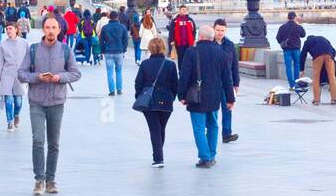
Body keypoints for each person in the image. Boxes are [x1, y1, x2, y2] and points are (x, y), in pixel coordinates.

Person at [17, 14, 81, 196]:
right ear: (43, 30)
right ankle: (39, 179)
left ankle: (51, 179)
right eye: (48, 28)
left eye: (54, 28)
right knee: (38, 140)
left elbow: (75, 73)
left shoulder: (66, 50)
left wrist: (59, 78)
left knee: (54, 143)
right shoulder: (33, 49)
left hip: (57, 101)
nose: (51, 31)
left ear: (59, 30)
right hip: (36, 100)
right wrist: (37, 77)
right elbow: (21, 73)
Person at [178, 27, 235, 167]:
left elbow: (184, 75)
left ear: (200, 36)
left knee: (199, 128)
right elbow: (227, 78)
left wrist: (181, 95)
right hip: (215, 95)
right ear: (211, 37)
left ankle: (205, 157)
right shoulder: (221, 53)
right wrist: (230, 98)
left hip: (196, 96)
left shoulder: (191, 52)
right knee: (213, 126)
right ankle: (212, 155)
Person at [133, 38, 179, 166]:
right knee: (161, 128)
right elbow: (175, 84)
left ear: (150, 48)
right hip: (166, 101)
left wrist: (139, 96)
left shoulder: (145, 64)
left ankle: (158, 158)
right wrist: (172, 97)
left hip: (149, 102)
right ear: (164, 48)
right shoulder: (170, 65)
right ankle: (159, 154)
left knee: (154, 129)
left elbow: (138, 83)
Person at [0, 20, 29, 131]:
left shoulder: (24, 43)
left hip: (20, 75)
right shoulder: (3, 46)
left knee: (18, 100)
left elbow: (29, 59)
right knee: (8, 100)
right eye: (7, 29)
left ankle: (16, 114)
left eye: (10, 28)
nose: (8, 31)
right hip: (6, 75)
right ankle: (10, 122)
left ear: (16, 30)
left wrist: (29, 73)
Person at [213, 18, 240, 143]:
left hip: (226, 82)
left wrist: (236, 83)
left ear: (226, 30)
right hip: (212, 82)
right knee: (212, 110)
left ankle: (227, 133)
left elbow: (235, 65)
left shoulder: (229, 45)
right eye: (218, 30)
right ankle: (211, 131)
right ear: (214, 29)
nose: (220, 33)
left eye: (222, 30)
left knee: (228, 107)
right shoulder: (208, 43)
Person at [298, 32, 336, 104]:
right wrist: (332, 59)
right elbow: (334, 51)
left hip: (317, 57)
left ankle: (316, 100)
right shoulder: (323, 38)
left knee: (316, 78)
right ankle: (334, 99)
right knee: (332, 77)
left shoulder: (307, 42)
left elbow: (303, 55)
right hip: (329, 55)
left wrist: (301, 69)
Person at [99, 9, 130, 96]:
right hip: (119, 51)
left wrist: (102, 51)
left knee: (109, 71)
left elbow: (101, 41)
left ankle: (112, 90)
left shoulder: (105, 28)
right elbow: (126, 40)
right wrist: (123, 49)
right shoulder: (122, 27)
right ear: (117, 17)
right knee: (119, 71)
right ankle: (119, 89)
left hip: (108, 51)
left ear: (109, 17)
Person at [276, 11, 306, 88]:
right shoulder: (298, 26)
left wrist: (283, 42)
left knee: (288, 67)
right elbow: (303, 35)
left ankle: (291, 85)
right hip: (296, 49)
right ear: (295, 17)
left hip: (287, 50)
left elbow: (278, 38)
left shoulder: (282, 27)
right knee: (297, 65)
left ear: (288, 18)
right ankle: (296, 83)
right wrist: (298, 24)